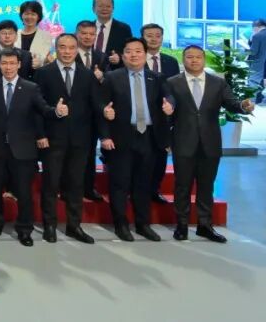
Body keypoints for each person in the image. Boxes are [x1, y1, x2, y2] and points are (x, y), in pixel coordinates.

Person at [167, 45, 253, 243]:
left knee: (207, 186)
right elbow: (167, 110)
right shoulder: (172, 82)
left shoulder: (218, 83)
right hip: (183, 141)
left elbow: (232, 103)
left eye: (198, 57)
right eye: (190, 57)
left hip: (210, 142)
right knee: (182, 186)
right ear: (184, 60)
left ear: (203, 59)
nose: (194, 60)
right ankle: (181, 225)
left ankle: (205, 225)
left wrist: (243, 106)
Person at [0, 50, 60, 247]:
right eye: (4, 63)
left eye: (12, 63)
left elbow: (44, 110)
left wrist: (57, 112)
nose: (8, 67)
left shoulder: (31, 87)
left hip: (23, 149)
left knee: (24, 192)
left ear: (19, 65)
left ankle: (25, 229)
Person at [98, 37, 171, 242]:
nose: (134, 55)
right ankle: (121, 224)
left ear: (145, 55)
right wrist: (105, 135)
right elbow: (101, 107)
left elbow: (169, 97)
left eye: (138, 51)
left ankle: (142, 224)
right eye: (129, 51)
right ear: (123, 56)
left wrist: (170, 105)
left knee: (144, 183)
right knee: (119, 183)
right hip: (121, 137)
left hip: (149, 137)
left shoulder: (156, 78)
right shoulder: (112, 77)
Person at [34, 34, 101, 244]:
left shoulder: (87, 75)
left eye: (71, 47)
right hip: (52, 139)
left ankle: (74, 226)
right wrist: (41, 134)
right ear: (56, 48)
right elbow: (36, 108)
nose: (67, 51)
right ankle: (49, 225)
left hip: (80, 140)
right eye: (62, 47)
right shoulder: (43, 73)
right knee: (51, 184)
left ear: (77, 49)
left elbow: (95, 107)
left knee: (76, 184)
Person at [141, 23, 180, 204]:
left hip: (164, 117)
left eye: (158, 35)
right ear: (142, 38)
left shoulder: (171, 62)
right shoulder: (136, 58)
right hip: (140, 116)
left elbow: (175, 90)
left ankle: (154, 190)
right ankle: (137, 191)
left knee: (160, 157)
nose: (154, 39)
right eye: (149, 35)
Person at [73, 20, 106, 201]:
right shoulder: (67, 54)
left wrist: (102, 78)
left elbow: (109, 84)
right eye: (83, 33)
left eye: (91, 34)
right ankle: (69, 188)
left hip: (93, 115)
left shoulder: (102, 57)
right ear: (76, 34)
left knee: (90, 152)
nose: (87, 37)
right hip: (71, 112)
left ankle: (88, 188)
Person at [93, 0, 133, 68]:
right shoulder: (87, 28)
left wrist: (119, 58)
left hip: (114, 71)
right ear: (93, 9)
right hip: (88, 71)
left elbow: (130, 51)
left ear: (113, 9)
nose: (104, 9)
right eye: (100, 6)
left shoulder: (124, 29)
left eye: (108, 6)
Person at [14, 0, 53, 71]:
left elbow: (45, 59)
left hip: (37, 73)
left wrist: (42, 62)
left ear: (38, 17)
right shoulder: (14, 34)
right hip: (15, 73)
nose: (29, 17)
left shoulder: (46, 36)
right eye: (26, 14)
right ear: (21, 15)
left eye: (33, 14)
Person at [248, 19, 266, 102]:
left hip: (259, 63)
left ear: (256, 27)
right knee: (261, 81)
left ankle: (251, 102)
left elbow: (253, 52)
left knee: (253, 81)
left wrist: (246, 49)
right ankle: (259, 97)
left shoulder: (257, 36)